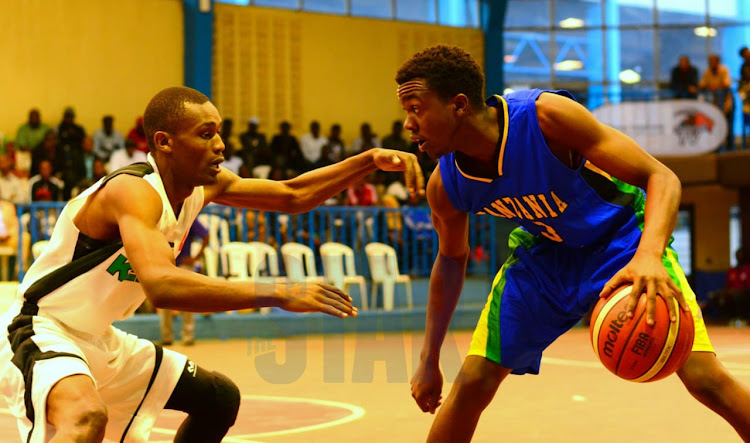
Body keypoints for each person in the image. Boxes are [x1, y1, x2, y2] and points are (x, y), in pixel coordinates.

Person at [0, 86, 424, 442]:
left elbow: (293, 195)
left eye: (219, 133)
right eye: (205, 134)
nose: (220, 145)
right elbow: (163, 286)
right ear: (164, 142)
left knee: (219, 398)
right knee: (86, 418)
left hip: (98, 339)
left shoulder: (201, 187)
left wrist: (366, 162)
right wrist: (279, 291)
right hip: (39, 328)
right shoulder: (133, 192)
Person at [398, 45, 750, 442]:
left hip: (620, 241)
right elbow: (450, 259)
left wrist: (650, 255)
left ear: (458, 105)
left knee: (705, 379)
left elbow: (661, 178)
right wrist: (429, 359)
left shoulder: (545, 118)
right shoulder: (445, 185)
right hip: (546, 260)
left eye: (415, 108)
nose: (408, 124)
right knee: (473, 381)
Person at [159, 218, 209, 346]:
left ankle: (188, 335)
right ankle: (166, 336)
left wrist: (195, 258)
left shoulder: (188, 217)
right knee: (164, 301)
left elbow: (205, 236)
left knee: (187, 300)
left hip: (184, 264)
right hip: (166, 263)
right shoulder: (163, 216)